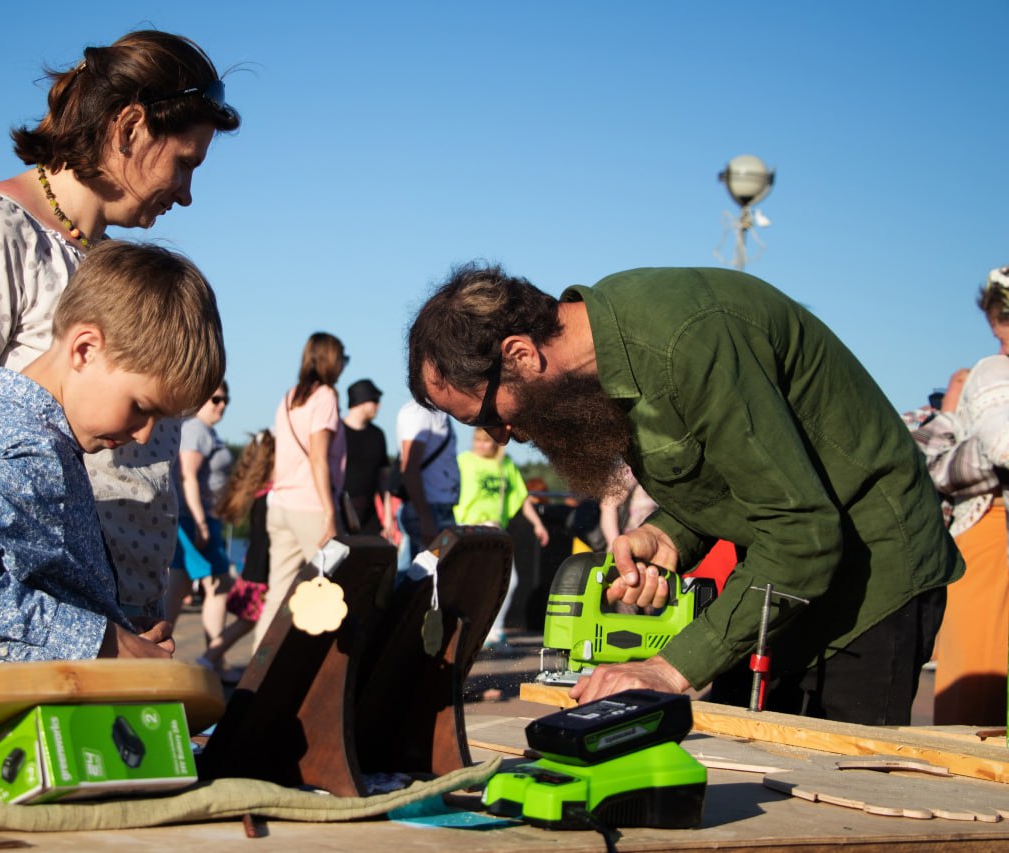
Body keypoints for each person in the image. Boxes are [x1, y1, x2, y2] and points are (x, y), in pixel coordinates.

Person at [407, 263, 960, 725]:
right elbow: (738, 480)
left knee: (836, 800)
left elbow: (802, 530)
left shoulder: (686, 342)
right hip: (784, 579)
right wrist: (667, 535)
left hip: (870, 581)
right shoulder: (606, 358)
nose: (502, 435)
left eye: (486, 416)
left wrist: (669, 669)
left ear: (522, 355)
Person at [0, 30, 240, 674]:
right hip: (20, 657)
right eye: (184, 162)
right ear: (128, 128)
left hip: (99, 654)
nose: (185, 193)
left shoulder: (116, 269)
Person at [0, 241, 224, 669]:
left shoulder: (16, 423)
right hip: (0, 722)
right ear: (85, 350)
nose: (145, 436)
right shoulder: (28, 447)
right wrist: (110, 644)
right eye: (142, 408)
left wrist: (121, 630)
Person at [918, 265, 1009, 726]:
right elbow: (1001, 444)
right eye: (1003, 316)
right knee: (979, 683)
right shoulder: (991, 373)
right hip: (988, 528)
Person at [258, 333, 348, 646]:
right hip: (310, 506)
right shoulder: (325, 397)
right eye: (342, 358)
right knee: (337, 587)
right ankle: (336, 670)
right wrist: (330, 513)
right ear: (330, 360)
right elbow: (318, 458)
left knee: (277, 594)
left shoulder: (289, 397)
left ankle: (257, 680)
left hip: (280, 503)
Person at [165, 381, 238, 672]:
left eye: (225, 400)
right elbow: (187, 477)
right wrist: (199, 522)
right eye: (216, 399)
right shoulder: (195, 429)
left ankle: (153, 653)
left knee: (182, 586)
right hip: (196, 520)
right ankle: (213, 659)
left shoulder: (206, 431)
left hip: (203, 519)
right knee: (217, 585)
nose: (221, 405)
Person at [453, 428, 549, 647]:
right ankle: (465, 631)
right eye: (477, 440)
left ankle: (493, 631)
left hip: (495, 529)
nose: (480, 445)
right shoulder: (464, 461)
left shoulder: (505, 464)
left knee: (508, 581)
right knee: (470, 581)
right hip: (469, 528)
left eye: (485, 441)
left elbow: (522, 497)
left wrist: (537, 524)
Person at [204, 429, 276, 667]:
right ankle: (208, 659)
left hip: (256, 568)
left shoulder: (261, 492)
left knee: (248, 623)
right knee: (249, 623)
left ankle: (208, 659)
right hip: (263, 572)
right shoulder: (272, 496)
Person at [396, 398, 459, 559]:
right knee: (427, 575)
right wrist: (425, 517)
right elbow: (409, 468)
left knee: (440, 574)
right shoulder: (419, 411)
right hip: (430, 509)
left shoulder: (434, 411)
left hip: (438, 508)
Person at [341, 378, 394, 538]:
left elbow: (383, 480)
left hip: (370, 517)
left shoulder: (377, 435)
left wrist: (388, 517)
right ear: (361, 400)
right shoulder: (337, 433)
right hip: (341, 512)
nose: (379, 406)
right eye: (375, 400)